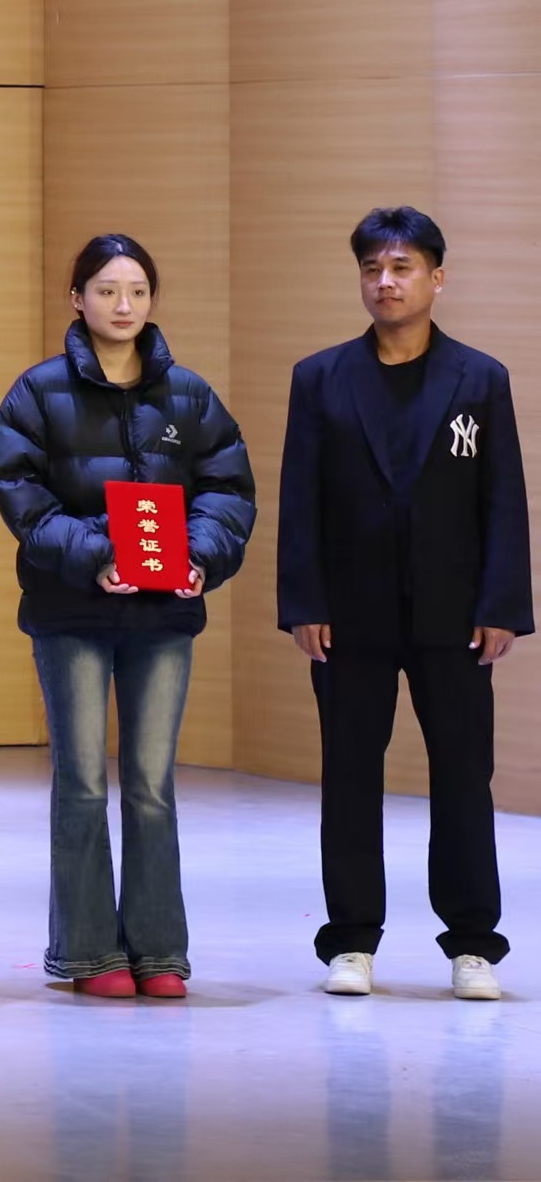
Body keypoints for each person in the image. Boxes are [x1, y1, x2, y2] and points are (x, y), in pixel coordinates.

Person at [0, 233, 256, 1001]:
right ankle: (86, 953)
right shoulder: (36, 393)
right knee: (80, 780)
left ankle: (158, 950)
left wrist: (200, 556)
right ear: (76, 299)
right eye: (106, 290)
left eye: (136, 290)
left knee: (149, 783)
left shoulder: (189, 396)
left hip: (163, 616)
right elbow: (22, 498)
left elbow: (227, 491)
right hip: (70, 611)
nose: (122, 304)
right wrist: (95, 555)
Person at [277, 205, 530, 1001]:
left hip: (453, 616)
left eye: (401, 268)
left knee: (462, 775)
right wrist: (302, 601)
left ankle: (472, 946)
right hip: (347, 616)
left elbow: (503, 498)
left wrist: (500, 604)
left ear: (435, 278)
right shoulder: (319, 378)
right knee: (349, 774)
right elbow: (299, 498)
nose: (384, 282)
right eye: (371, 269)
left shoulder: (478, 379)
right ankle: (350, 941)